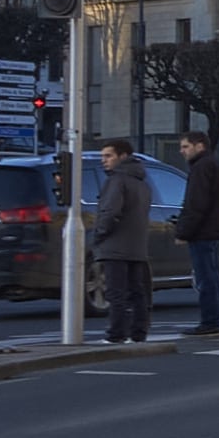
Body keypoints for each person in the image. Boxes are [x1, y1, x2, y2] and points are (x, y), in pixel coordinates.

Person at [86, 140, 159, 345]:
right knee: (137, 291)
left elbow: (110, 210)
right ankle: (139, 332)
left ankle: (116, 334)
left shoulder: (117, 181)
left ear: (123, 156)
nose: (104, 161)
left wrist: (99, 233)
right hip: (136, 245)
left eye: (108, 156)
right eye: (103, 157)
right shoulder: (142, 183)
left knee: (115, 292)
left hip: (115, 245)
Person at [173, 131, 219, 335]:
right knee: (212, 276)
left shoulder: (201, 168)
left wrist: (183, 231)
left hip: (203, 231)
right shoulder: (217, 165)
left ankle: (209, 321)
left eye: (185, 147)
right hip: (214, 229)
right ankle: (212, 319)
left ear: (199, 146)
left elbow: (196, 204)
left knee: (205, 278)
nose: (182, 151)